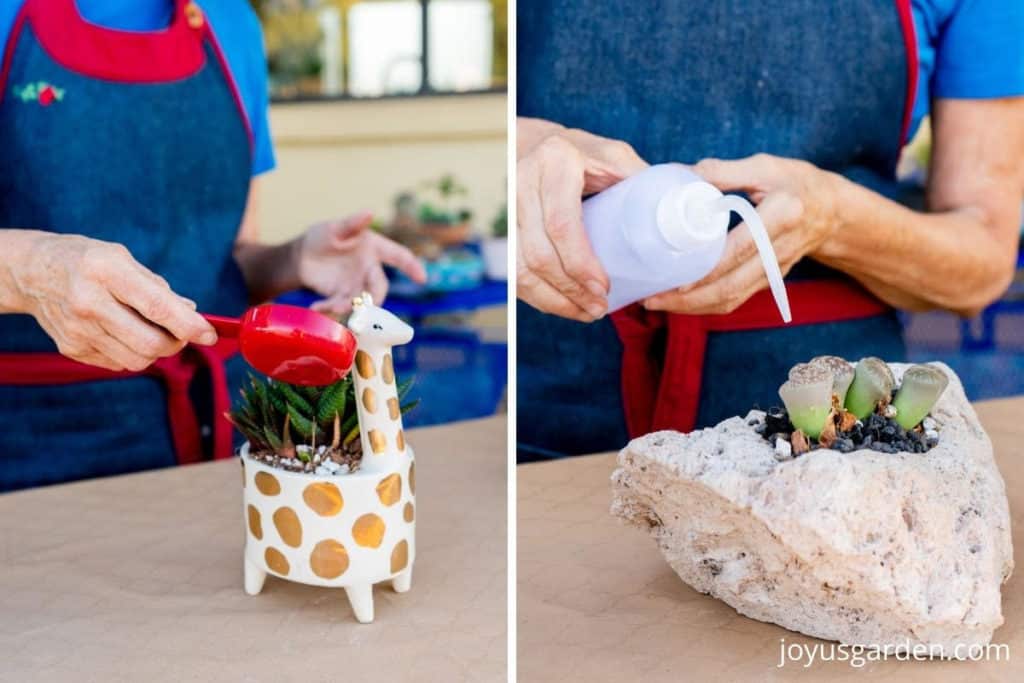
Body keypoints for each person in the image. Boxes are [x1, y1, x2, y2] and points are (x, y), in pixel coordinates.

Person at [516, 0, 1024, 460]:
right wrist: (524, 145)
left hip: (829, 449)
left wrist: (832, 217)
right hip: (555, 402)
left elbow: (980, 265)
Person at [0, 0, 426, 491]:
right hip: (28, 449)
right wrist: (30, 271)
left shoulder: (232, 25)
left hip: (218, 438)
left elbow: (229, 258)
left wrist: (292, 260)